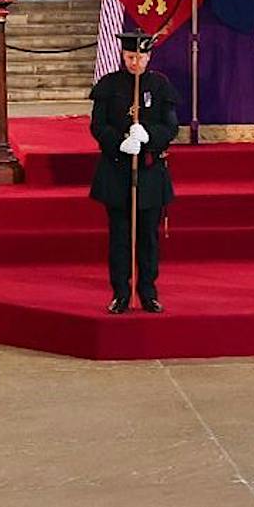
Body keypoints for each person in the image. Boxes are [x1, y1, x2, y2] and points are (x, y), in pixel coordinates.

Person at [88, 30, 179, 313]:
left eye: (140, 57)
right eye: (130, 57)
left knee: (148, 237)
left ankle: (148, 291)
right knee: (120, 238)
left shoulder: (160, 85)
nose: (135, 63)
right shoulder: (109, 85)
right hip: (117, 171)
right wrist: (120, 142)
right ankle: (121, 292)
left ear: (149, 56)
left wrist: (148, 135)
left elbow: (171, 127)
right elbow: (98, 125)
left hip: (150, 173)